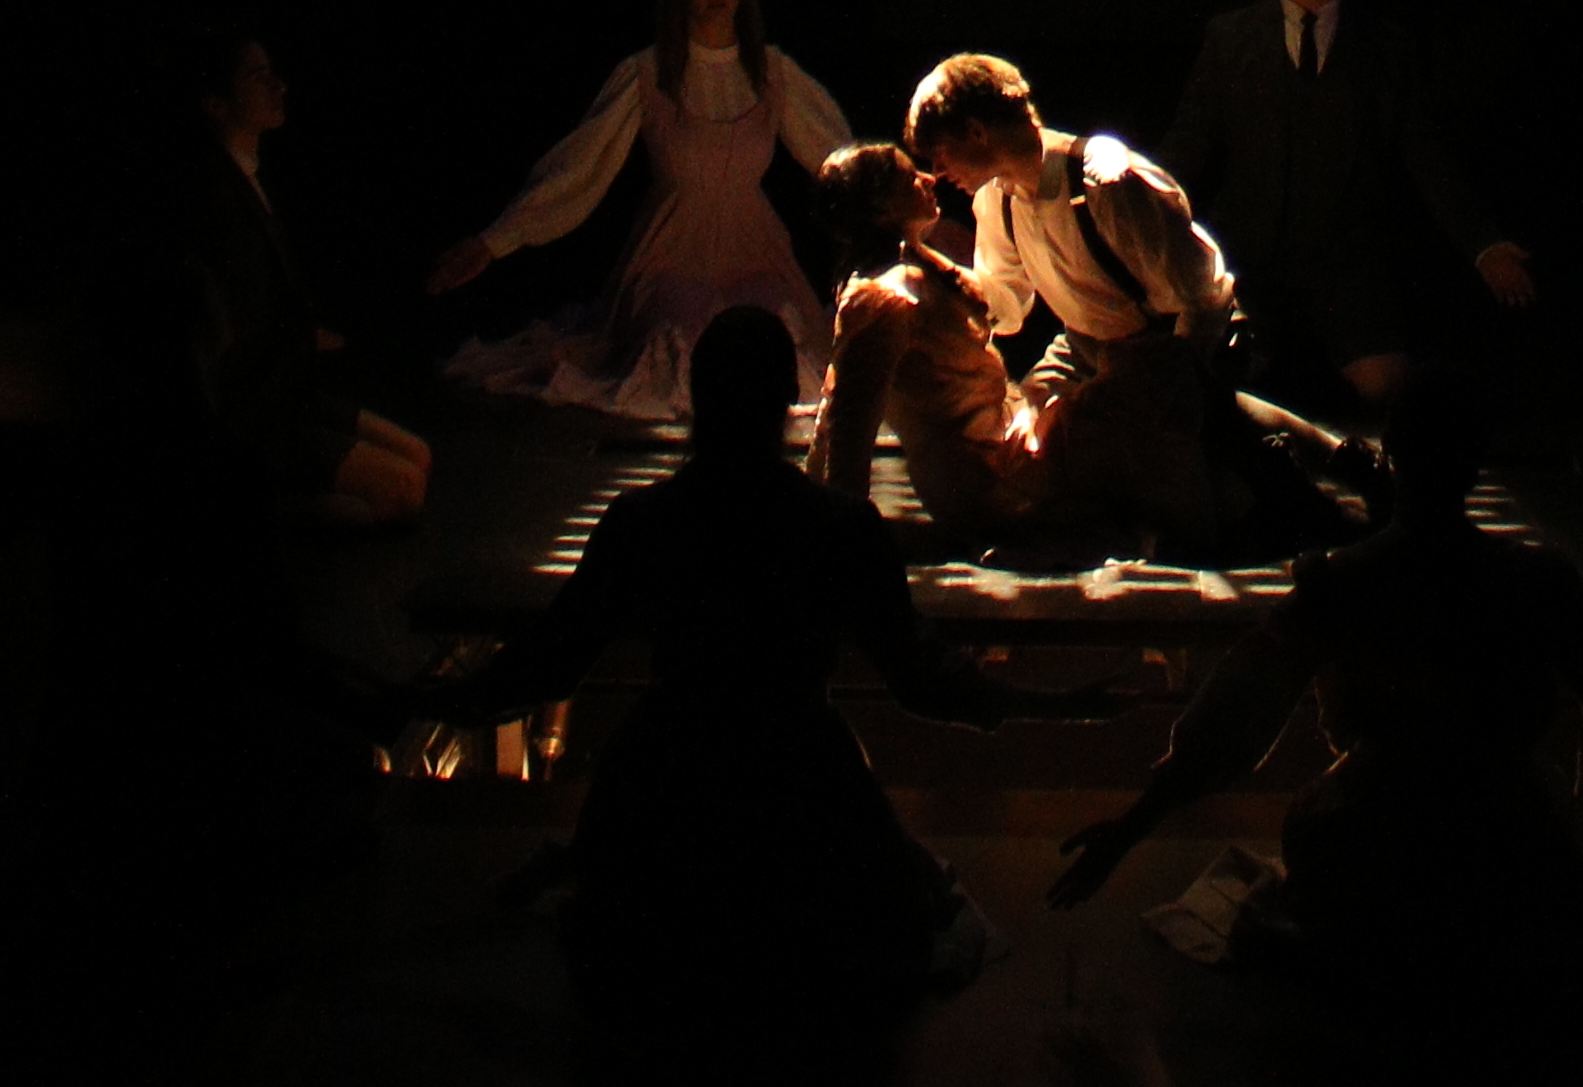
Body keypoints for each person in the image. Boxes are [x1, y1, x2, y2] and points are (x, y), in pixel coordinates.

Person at [423, 307, 1137, 1022]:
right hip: (801, 774)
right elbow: (923, 677)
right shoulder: (838, 527)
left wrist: (430, 698)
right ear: (785, 402)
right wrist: (1050, 704)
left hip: (668, 772)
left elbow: (551, 660)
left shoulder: (645, 521)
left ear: (699, 397)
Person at [1048, 371, 1583, 1014]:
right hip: (1506, 848)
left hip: (1369, 845)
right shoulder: (1534, 582)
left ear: (1391, 453)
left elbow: (1234, 717)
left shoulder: (1344, 583)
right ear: (1474, 461)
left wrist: (1133, 825)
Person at [423, 0, 850, 419]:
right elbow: (581, 167)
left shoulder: (771, 73)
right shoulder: (648, 74)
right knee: (679, 346)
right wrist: (495, 240)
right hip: (670, 252)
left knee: (775, 341)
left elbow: (839, 155)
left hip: (755, 251)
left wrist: (901, 215)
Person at [1160, 0, 1535, 410]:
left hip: (1346, 265)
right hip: (1249, 256)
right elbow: (1189, 143)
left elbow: (1426, 157)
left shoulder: (1385, 48)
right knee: (1208, 381)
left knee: (1387, 385)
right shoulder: (1232, 38)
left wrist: (1484, 245)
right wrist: (1134, 219)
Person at [903, 50, 1248, 557]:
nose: (937, 171)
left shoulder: (1105, 184)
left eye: (941, 152)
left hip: (1162, 348)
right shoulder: (996, 200)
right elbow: (1005, 309)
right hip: (1083, 346)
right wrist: (924, 259)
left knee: (1092, 443)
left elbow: (1201, 297)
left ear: (977, 132)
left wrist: (1164, 387)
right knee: (1012, 439)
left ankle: (1139, 536)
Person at [172, 29, 430, 529]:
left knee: (417, 457)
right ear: (217, 104)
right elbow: (230, 330)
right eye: (258, 77)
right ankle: (245, 506)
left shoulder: (249, 179)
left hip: (286, 388)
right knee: (402, 490)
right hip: (255, 408)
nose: (279, 86)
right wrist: (295, 341)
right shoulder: (216, 200)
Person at [807, 139, 1061, 552]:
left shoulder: (924, 267)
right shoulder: (886, 298)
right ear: (881, 209)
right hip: (983, 480)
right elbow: (847, 420)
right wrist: (838, 534)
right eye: (909, 177)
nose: (928, 178)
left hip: (1003, 451)